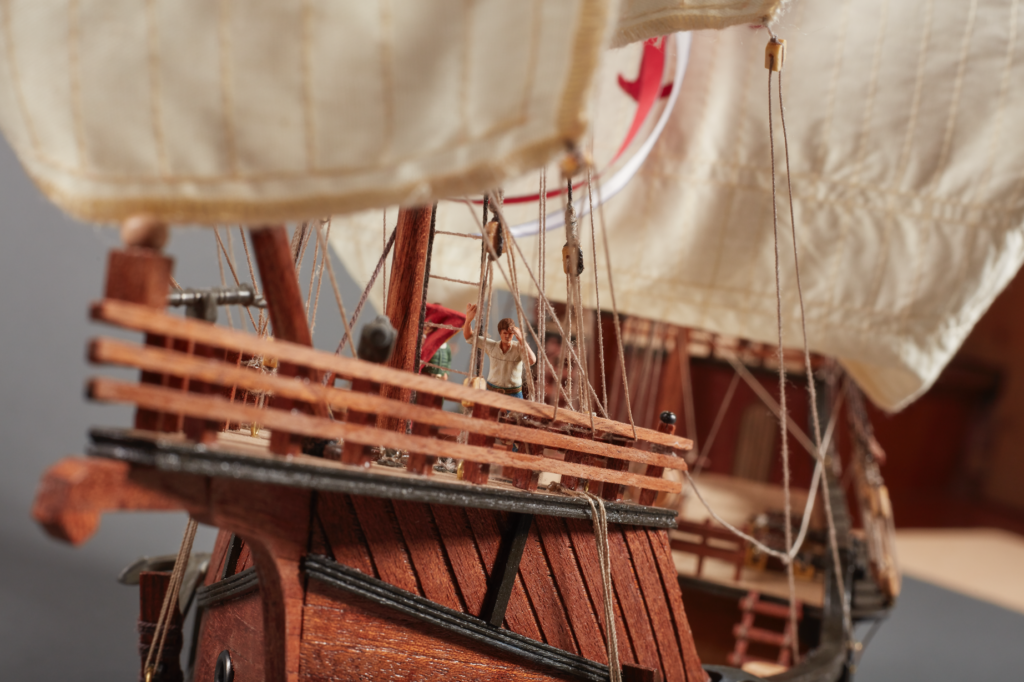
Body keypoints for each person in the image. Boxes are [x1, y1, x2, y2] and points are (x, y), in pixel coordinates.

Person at [462, 303, 536, 399]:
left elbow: (532, 361)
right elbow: (469, 337)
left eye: (510, 334)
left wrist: (521, 339)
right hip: (492, 390)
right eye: (504, 333)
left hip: (513, 393)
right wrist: (468, 321)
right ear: (500, 333)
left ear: (513, 335)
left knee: (516, 414)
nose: (507, 336)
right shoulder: (492, 346)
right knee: (485, 413)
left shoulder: (519, 348)